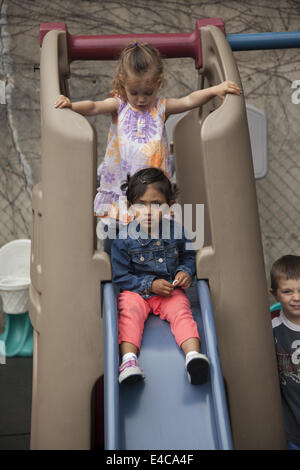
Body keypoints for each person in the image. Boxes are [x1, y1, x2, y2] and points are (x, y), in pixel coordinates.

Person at [54, 41, 241, 220]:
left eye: (148, 92)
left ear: (158, 84)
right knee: (122, 225)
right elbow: (94, 106)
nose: (141, 99)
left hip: (153, 184)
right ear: (123, 84)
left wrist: (215, 89)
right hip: (123, 181)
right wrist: (71, 106)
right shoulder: (120, 105)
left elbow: (189, 100)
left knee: (152, 224)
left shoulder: (160, 107)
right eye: (134, 92)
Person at [110, 167, 210, 386]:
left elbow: (189, 256)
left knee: (181, 310)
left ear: (169, 207)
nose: (147, 211)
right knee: (129, 310)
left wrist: (185, 271)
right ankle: (128, 361)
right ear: (129, 207)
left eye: (156, 204)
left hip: (169, 293)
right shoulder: (123, 240)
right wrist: (150, 285)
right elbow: (120, 277)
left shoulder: (176, 231)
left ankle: (193, 357)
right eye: (141, 204)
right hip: (138, 293)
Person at [270, 255, 300, 450]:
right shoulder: (271, 327)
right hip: (292, 421)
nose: (296, 297)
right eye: (288, 291)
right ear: (275, 295)